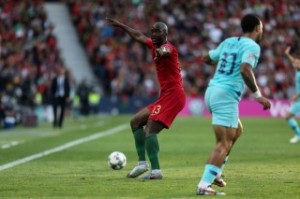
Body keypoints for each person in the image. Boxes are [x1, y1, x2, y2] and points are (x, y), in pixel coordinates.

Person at [196, 14, 271, 195]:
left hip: (212, 91)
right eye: (261, 28)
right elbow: (245, 69)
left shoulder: (229, 41)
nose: (262, 31)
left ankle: (217, 171)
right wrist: (258, 95)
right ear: (257, 29)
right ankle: (204, 184)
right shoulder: (252, 46)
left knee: (237, 130)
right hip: (226, 95)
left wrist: (218, 60)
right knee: (223, 143)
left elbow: (207, 58)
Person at [106, 18, 186, 179]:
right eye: (153, 32)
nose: (154, 34)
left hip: (174, 96)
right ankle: (142, 164)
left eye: (158, 32)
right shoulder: (153, 44)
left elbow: (166, 51)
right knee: (135, 122)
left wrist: (160, 51)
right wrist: (122, 25)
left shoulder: (168, 48)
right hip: (165, 96)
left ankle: (156, 171)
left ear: (165, 34)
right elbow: (138, 36)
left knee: (150, 129)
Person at [284, 46, 300, 143]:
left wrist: (296, 96)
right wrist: (287, 54)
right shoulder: (297, 70)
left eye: (297, 63)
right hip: (298, 100)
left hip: (299, 100)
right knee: (288, 116)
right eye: (295, 63)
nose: (294, 64)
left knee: (288, 116)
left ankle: (298, 134)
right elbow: (293, 61)